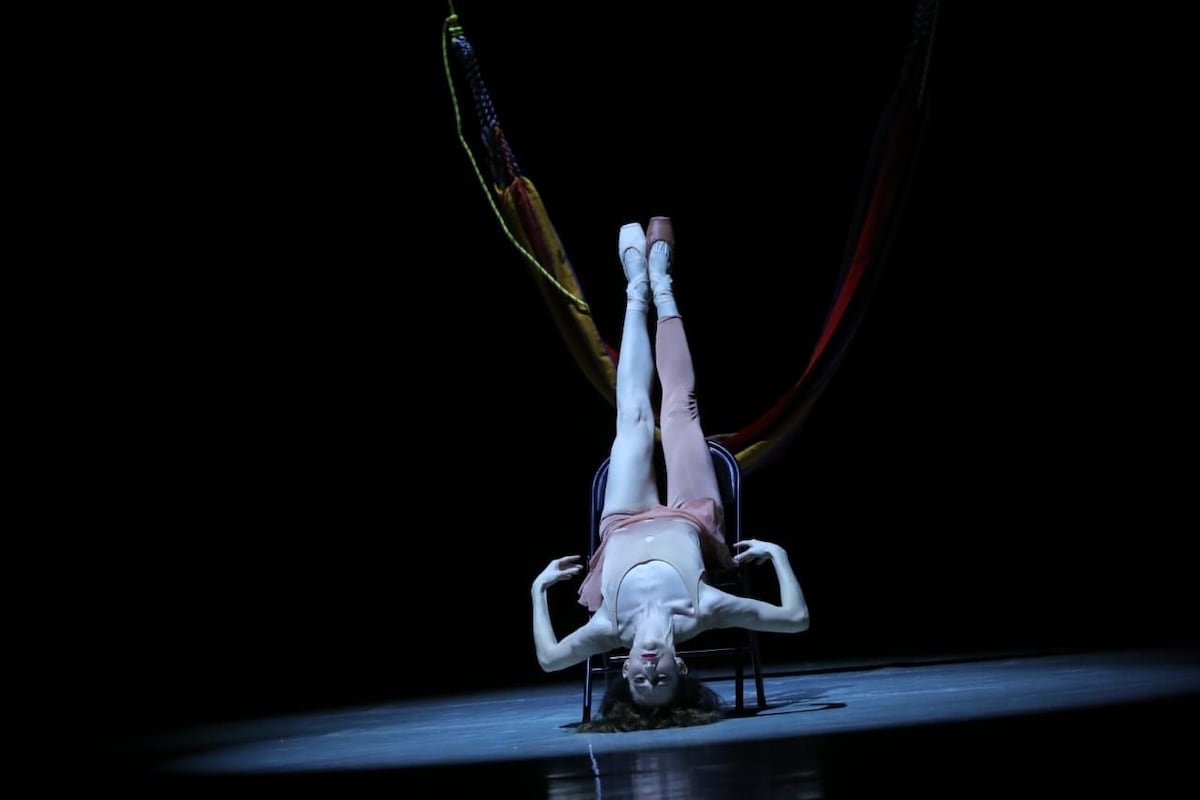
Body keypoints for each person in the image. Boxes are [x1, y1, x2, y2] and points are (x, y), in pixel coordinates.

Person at [531, 216, 810, 731]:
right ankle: (662, 285)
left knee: (634, 415)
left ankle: (635, 289)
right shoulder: (703, 610)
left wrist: (538, 589)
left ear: (628, 668)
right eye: (664, 679)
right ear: (680, 666)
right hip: (692, 516)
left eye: (641, 680)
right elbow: (795, 620)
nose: (651, 671)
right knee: (681, 409)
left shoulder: (608, 627)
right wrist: (779, 556)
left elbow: (550, 659)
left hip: (623, 519)